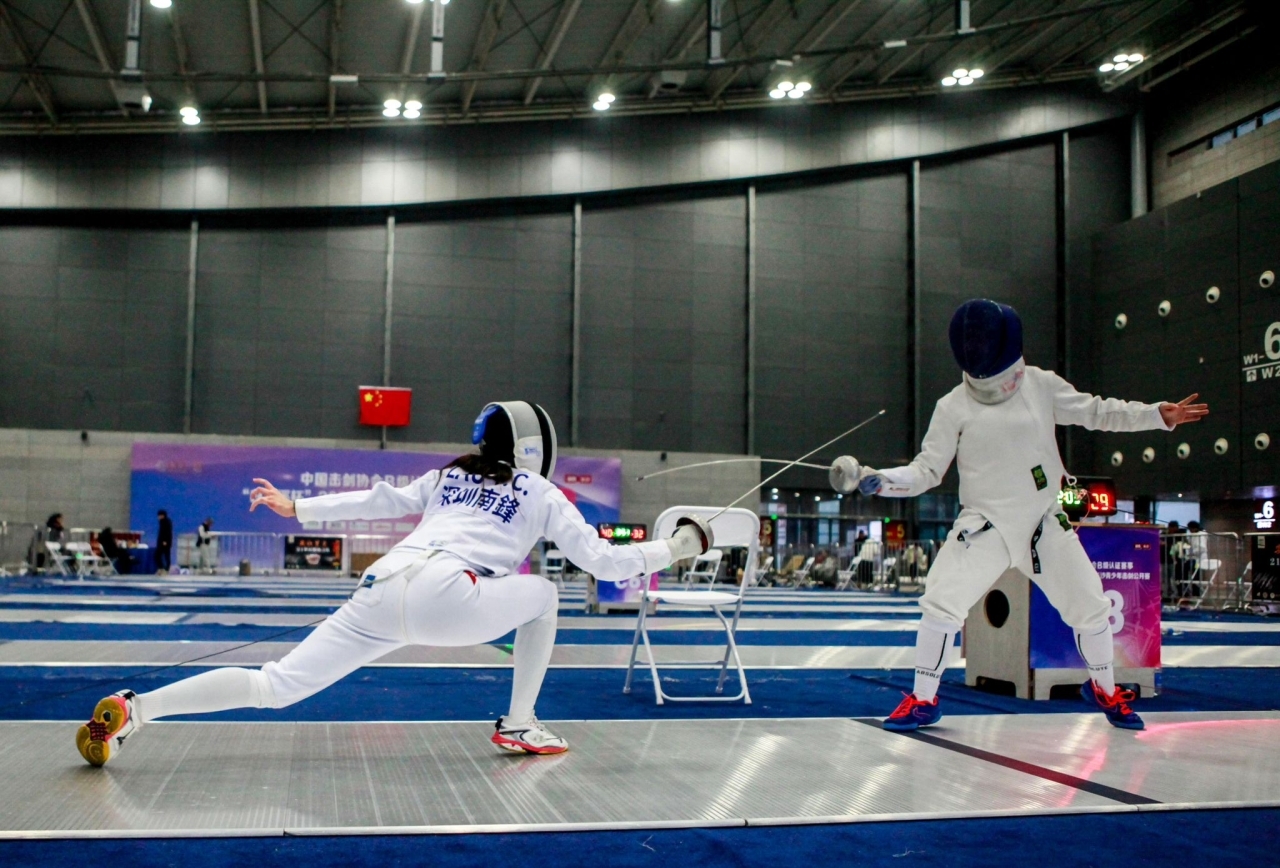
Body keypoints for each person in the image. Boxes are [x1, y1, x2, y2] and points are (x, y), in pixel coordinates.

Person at [75, 400, 715, 767]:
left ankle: (137, 709)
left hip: (381, 587)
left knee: (275, 684)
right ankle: (520, 722)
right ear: (532, 448)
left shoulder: (448, 477)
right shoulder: (541, 492)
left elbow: (378, 498)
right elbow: (602, 562)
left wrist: (298, 507)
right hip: (451, 596)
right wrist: (677, 547)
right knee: (544, 595)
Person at [830, 299, 1208, 733]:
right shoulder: (953, 406)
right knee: (940, 604)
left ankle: (1105, 689)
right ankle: (923, 699)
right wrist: (883, 479)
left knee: (1091, 607)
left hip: (1043, 524)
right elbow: (927, 471)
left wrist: (1156, 415)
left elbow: (1096, 411)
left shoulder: (1040, 385)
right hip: (984, 527)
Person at [155, 510, 173, 574]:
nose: (158, 517)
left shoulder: (166, 522)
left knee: (163, 555)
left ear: (162, 515)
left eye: (159, 515)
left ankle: (165, 569)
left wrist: (165, 541)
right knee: (162, 555)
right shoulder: (162, 522)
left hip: (165, 542)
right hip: (162, 541)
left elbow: (167, 532)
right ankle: (162, 568)